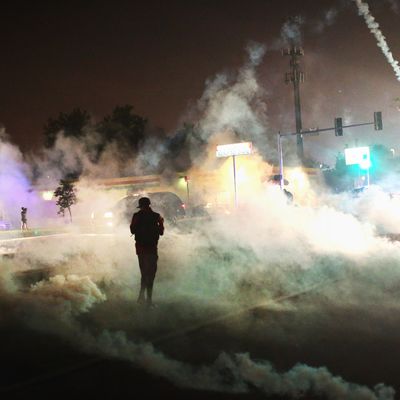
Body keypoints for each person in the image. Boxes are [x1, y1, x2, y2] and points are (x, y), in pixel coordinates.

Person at [130, 197, 164, 307]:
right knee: (151, 274)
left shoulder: (136, 216)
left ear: (140, 206)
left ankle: (141, 297)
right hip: (152, 248)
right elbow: (161, 232)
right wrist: (161, 223)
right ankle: (148, 300)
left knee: (144, 273)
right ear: (149, 205)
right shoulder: (156, 216)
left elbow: (132, 230)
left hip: (140, 249)